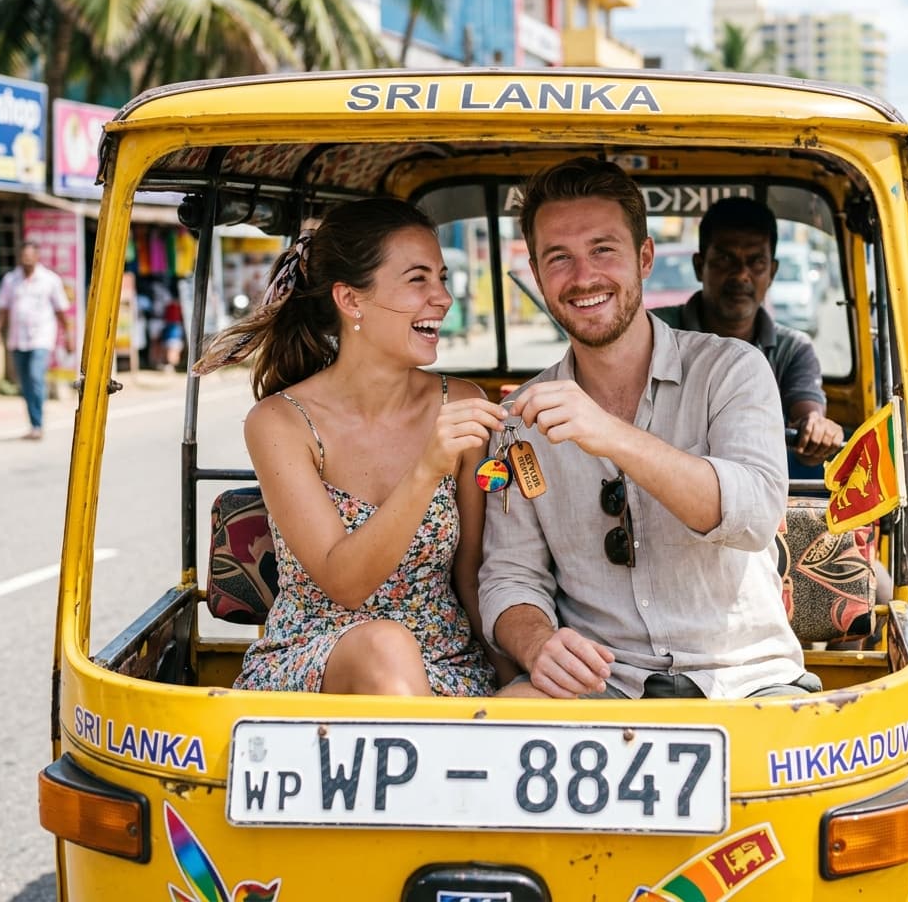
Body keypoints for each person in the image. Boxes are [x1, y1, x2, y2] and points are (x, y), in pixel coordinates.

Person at [478, 158, 818, 700]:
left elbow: (754, 516)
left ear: (644, 258)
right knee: (495, 730)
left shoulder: (732, 369)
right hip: (601, 683)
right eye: (559, 258)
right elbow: (510, 577)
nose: (584, 277)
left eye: (602, 250)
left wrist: (611, 435)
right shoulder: (521, 419)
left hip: (747, 679)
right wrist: (539, 643)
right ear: (538, 277)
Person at [194, 198, 519, 696]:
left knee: (558, 695)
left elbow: (470, 575)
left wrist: (512, 686)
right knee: (384, 646)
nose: (444, 299)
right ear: (351, 300)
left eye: (442, 278)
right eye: (418, 280)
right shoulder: (281, 421)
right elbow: (344, 583)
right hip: (318, 661)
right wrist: (427, 469)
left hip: (447, 667)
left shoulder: (462, 401)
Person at [652, 197, 843, 468]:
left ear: (772, 271)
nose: (741, 275)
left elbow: (807, 415)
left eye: (756, 262)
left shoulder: (793, 350)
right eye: (725, 259)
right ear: (699, 265)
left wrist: (816, 429)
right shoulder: (656, 332)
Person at [0, 241, 73, 440]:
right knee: (25, 383)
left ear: (37, 257)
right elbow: (2, 310)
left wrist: (68, 336)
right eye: (23, 257)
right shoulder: (11, 280)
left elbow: (61, 312)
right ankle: (34, 422)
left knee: (36, 377)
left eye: (30, 257)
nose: (26, 260)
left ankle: (38, 423)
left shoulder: (50, 280)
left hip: (41, 338)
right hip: (18, 339)